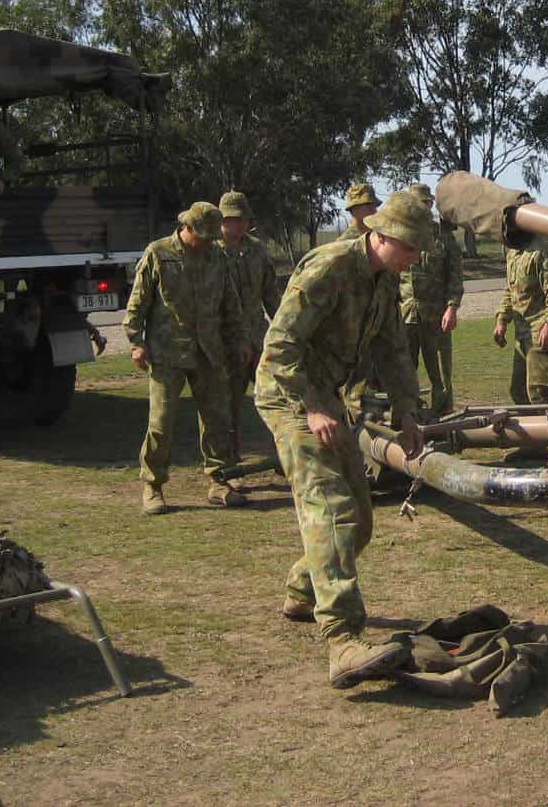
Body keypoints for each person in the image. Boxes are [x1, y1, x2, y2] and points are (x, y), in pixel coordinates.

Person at [255, 190, 432, 689]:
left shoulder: (384, 280)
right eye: (410, 247)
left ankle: (302, 589)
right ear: (382, 236)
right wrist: (313, 406)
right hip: (289, 395)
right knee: (331, 507)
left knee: (359, 518)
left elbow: (393, 348)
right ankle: (342, 641)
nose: (415, 258)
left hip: (323, 396)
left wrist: (407, 410)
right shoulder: (330, 267)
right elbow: (279, 347)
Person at [125, 201, 251, 515]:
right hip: (167, 352)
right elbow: (138, 303)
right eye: (203, 236)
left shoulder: (217, 256)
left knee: (217, 419)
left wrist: (240, 339)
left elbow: (230, 303)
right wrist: (136, 343)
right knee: (161, 421)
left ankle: (219, 481)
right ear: (187, 228)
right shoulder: (159, 253)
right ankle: (153, 485)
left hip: (209, 351)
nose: (208, 242)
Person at [493, 231, 548, 462]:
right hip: (522, 332)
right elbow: (510, 290)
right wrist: (502, 320)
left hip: (541, 328)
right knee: (518, 390)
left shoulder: (543, 249)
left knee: (540, 391)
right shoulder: (513, 251)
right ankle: (534, 444)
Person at [218, 190, 282, 462]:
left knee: (276, 395)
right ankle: (228, 460)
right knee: (228, 403)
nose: (241, 224)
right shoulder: (210, 252)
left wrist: (285, 327)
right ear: (223, 220)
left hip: (258, 337)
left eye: (244, 219)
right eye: (235, 219)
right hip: (225, 340)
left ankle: (285, 454)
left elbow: (270, 294)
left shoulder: (257, 249)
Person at [399, 182, 463, 416]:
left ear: (430, 205)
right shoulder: (400, 235)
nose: (421, 208)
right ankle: (409, 412)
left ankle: (444, 414)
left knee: (440, 371)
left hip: (436, 316)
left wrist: (452, 307)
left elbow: (455, 276)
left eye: (425, 203)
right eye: (416, 204)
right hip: (405, 315)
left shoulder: (443, 238)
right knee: (405, 368)